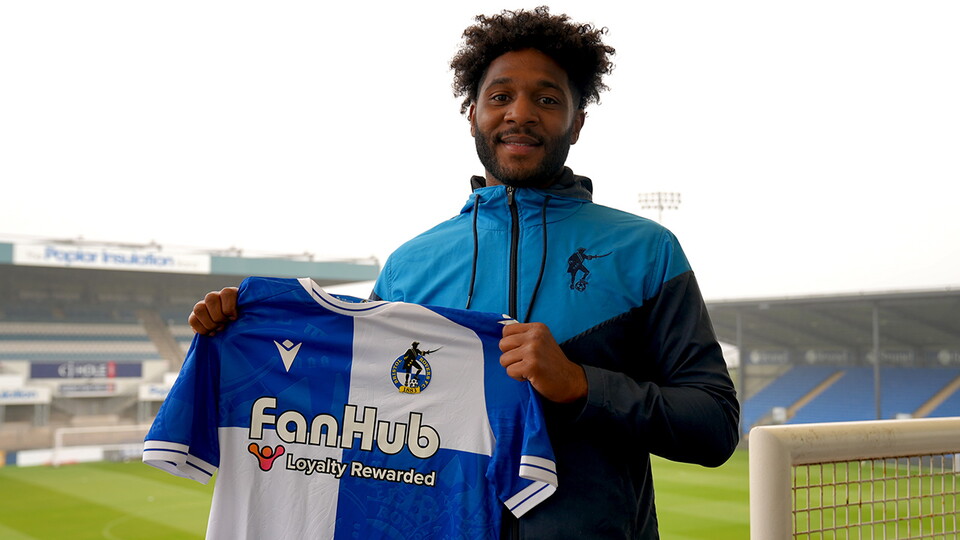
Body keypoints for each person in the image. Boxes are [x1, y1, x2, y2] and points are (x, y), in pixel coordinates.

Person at [189, 7, 739, 539]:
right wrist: (241, 337)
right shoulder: (410, 265)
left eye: (547, 99)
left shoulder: (646, 250)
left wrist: (580, 385)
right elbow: (349, 425)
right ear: (471, 113)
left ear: (577, 124)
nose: (520, 113)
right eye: (500, 96)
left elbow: (713, 426)